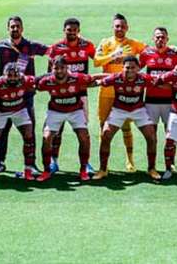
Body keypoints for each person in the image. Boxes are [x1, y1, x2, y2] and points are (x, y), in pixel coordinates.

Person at [0, 16, 47, 173]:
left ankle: (31, 164)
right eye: (12, 26)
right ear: (8, 29)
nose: (15, 29)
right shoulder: (0, 46)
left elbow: (52, 51)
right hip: (3, 96)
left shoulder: (31, 46)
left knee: (29, 130)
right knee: (0, 130)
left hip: (26, 96)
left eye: (17, 26)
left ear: (22, 28)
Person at [35, 57, 104, 182]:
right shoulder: (46, 81)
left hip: (75, 111)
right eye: (56, 68)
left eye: (62, 68)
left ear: (67, 68)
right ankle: (46, 170)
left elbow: (94, 78)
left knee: (84, 137)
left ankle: (83, 169)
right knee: (47, 137)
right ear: (52, 69)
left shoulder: (77, 78)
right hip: (55, 111)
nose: (59, 71)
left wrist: (117, 75)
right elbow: (31, 84)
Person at [93, 56, 160, 180]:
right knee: (106, 134)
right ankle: (103, 170)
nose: (129, 70)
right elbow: (98, 81)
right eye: (127, 67)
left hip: (138, 110)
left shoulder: (144, 78)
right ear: (122, 68)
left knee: (151, 136)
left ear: (138, 68)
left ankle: (152, 169)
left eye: (133, 68)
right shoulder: (116, 77)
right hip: (119, 110)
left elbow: (160, 81)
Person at [94, 13, 146, 173]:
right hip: (107, 91)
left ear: (127, 28)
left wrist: (138, 69)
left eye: (122, 26)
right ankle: (104, 165)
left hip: (125, 91)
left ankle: (130, 161)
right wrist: (112, 56)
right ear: (113, 27)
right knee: (104, 127)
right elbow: (96, 62)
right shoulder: (106, 42)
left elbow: (149, 54)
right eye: (117, 26)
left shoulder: (133, 44)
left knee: (125, 125)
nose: (120, 29)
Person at [45, 17, 96, 174]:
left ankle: (86, 164)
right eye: (69, 30)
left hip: (81, 94)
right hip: (59, 94)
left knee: (82, 131)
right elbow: (49, 71)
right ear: (64, 30)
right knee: (56, 131)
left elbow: (99, 60)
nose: (71, 32)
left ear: (78, 31)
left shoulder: (87, 45)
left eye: (74, 30)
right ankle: (54, 161)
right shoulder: (56, 48)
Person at [0, 63, 39, 180]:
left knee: (29, 135)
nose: (12, 78)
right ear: (4, 75)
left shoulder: (25, 80)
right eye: (9, 76)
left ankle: (28, 170)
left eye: (15, 75)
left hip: (19, 110)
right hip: (1, 112)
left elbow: (40, 78)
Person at [139, 27, 177, 132]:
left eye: (163, 37)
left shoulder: (174, 54)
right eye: (157, 37)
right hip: (151, 101)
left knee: (171, 134)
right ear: (153, 38)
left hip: (169, 100)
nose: (160, 39)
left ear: (167, 39)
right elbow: (135, 70)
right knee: (151, 136)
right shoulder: (146, 54)